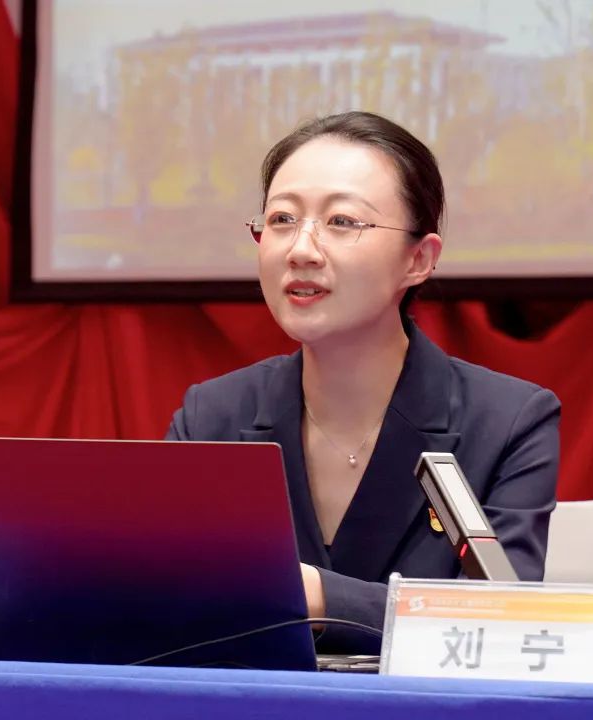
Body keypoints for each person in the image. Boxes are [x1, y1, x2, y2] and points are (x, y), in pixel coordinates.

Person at [165, 111, 560, 654]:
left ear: (418, 260)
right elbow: (168, 602)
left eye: (342, 222)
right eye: (282, 219)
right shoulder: (212, 416)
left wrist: (319, 597)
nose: (301, 249)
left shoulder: (507, 422)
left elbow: (503, 622)